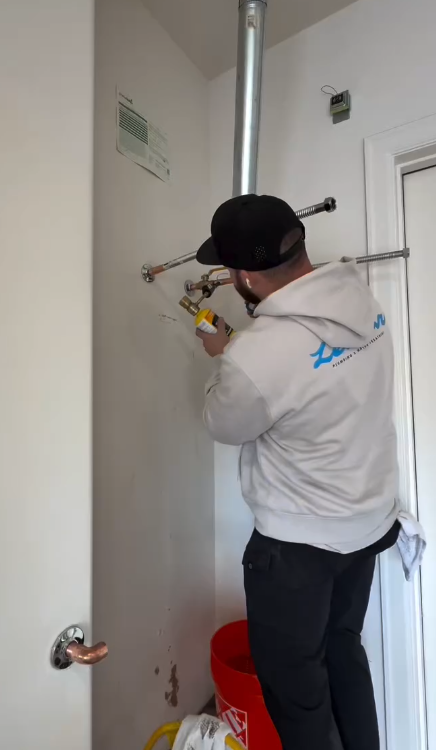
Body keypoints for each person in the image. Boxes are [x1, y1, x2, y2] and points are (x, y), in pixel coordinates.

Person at [195, 194, 399, 750]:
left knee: (298, 693)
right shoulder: (361, 300)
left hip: (297, 552)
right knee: (342, 652)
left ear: (242, 277)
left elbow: (225, 421)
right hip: (367, 527)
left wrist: (223, 358)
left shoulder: (256, 357)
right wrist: (243, 351)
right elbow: (307, 376)